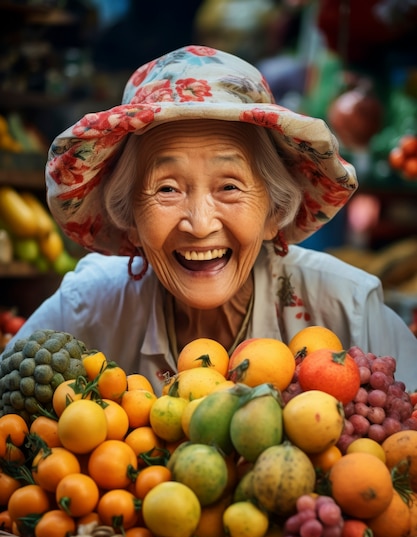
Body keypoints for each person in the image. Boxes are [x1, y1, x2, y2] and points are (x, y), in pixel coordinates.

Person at [6, 45, 417, 392]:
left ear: (274, 211)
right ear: (128, 214)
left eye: (230, 187)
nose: (200, 225)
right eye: (167, 189)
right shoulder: (84, 312)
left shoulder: (349, 312)